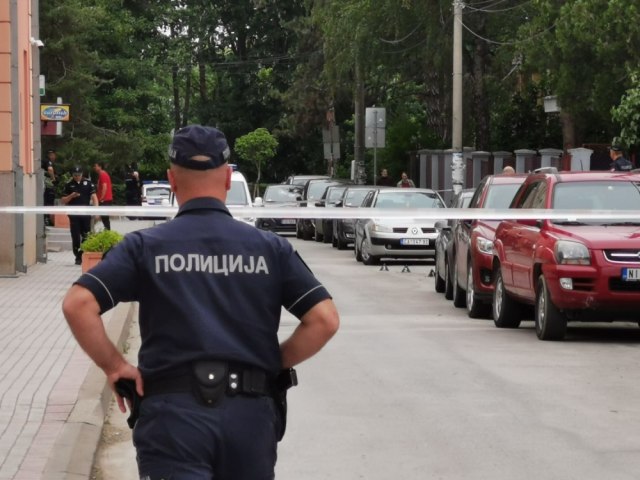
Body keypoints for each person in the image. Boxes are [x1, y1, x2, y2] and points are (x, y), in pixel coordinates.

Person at [62, 125, 340, 479]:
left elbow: (78, 304)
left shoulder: (145, 247)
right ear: (226, 179)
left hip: (172, 419)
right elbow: (324, 319)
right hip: (249, 417)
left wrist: (115, 366)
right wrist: (271, 363)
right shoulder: (270, 248)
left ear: (171, 180)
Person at [61, 166, 99, 265]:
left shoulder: (88, 184)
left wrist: (97, 211)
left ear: (82, 175)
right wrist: (71, 196)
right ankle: (77, 255)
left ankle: (82, 254)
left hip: (85, 214)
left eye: (79, 175)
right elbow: (63, 200)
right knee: (75, 236)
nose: (77, 177)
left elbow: (94, 197)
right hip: (73, 215)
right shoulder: (69, 185)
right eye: (75, 175)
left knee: (86, 235)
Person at [93, 161, 113, 230]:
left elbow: (105, 187)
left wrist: (101, 198)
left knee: (105, 218)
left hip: (105, 200)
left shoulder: (103, 174)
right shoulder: (102, 174)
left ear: (100, 167)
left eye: (95, 166)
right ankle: (107, 231)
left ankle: (107, 231)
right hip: (106, 199)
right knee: (104, 218)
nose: (94, 167)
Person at [41, 149, 58, 226]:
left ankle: (46, 218)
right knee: (49, 202)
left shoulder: (44, 161)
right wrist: (53, 178)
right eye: (53, 155)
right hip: (48, 185)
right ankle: (47, 219)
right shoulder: (48, 161)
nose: (54, 157)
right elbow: (50, 169)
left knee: (46, 202)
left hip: (44, 185)